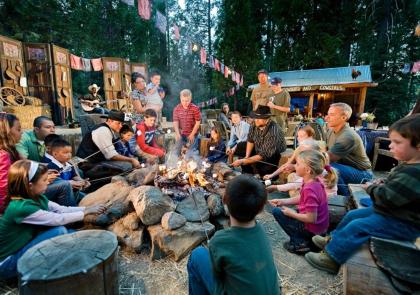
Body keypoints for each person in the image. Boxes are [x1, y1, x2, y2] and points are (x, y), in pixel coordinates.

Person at [305, 114, 420, 274]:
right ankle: (332, 240)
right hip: (393, 213)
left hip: (402, 223)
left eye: (397, 142)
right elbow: (394, 187)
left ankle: (331, 258)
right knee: (353, 215)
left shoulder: (415, 173)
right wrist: (381, 184)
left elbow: (386, 198)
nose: (391, 146)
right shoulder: (409, 166)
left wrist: (371, 189)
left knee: (358, 226)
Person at [0, 160, 105, 279]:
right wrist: (85, 213)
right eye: (44, 180)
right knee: (59, 231)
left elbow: (61, 209)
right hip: (7, 264)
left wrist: (87, 208)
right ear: (30, 185)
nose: (48, 183)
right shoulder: (20, 208)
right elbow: (58, 219)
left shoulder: (36, 197)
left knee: (71, 235)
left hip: (20, 250)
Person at [187, 174, 280, 295]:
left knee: (197, 255)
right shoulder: (261, 230)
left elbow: (218, 274)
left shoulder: (220, 240)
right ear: (261, 209)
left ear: (224, 199)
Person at [270, 150, 330, 254]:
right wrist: (283, 201)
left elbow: (311, 218)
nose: (295, 166)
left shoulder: (310, 188)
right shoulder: (314, 180)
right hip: (320, 229)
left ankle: (300, 243)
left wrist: (291, 213)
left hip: (314, 230)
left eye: (297, 164)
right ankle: (305, 240)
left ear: (307, 170)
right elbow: (302, 198)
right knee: (284, 209)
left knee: (277, 212)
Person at [16, 116, 75, 206]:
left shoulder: (52, 140)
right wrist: (46, 166)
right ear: (36, 129)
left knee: (77, 172)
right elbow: (23, 162)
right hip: (31, 177)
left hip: (43, 171)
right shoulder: (23, 138)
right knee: (64, 184)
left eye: (53, 127)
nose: (52, 130)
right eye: (48, 127)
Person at [76, 110, 140, 181]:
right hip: (88, 165)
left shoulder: (110, 130)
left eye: (122, 124)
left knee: (129, 163)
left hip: (98, 161)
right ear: (110, 121)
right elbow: (111, 155)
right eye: (118, 123)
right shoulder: (103, 131)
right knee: (127, 166)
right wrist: (131, 160)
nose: (120, 126)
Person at [325, 103, 372, 196]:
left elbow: (326, 158)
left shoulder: (348, 136)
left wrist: (299, 163)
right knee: (326, 166)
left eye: (332, 114)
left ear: (344, 118)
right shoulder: (331, 131)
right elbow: (323, 150)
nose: (327, 117)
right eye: (328, 114)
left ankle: (345, 197)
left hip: (362, 173)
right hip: (344, 168)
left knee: (329, 167)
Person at [266, 140, 338, 198]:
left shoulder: (313, 182)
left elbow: (296, 185)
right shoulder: (318, 169)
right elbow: (297, 183)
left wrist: (275, 187)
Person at [231, 105, 286, 177]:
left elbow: (263, 155)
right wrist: (246, 157)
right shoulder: (254, 124)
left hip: (272, 154)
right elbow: (250, 140)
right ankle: (247, 173)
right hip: (259, 148)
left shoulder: (273, 131)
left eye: (259, 118)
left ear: (267, 119)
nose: (256, 120)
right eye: (255, 118)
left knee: (264, 172)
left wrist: (242, 161)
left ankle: (262, 174)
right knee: (241, 146)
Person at [0, 113, 22, 213]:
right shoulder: (3, 155)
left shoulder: (11, 150)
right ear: (6, 132)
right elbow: (4, 187)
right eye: (18, 129)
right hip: (8, 205)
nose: (22, 132)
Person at [173, 89, 201, 155]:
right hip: (182, 134)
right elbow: (175, 122)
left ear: (190, 99)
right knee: (177, 152)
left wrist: (192, 134)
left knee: (191, 154)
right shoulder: (176, 109)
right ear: (180, 98)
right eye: (183, 100)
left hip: (193, 134)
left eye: (187, 101)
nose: (185, 103)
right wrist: (177, 134)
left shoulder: (195, 108)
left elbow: (197, 123)